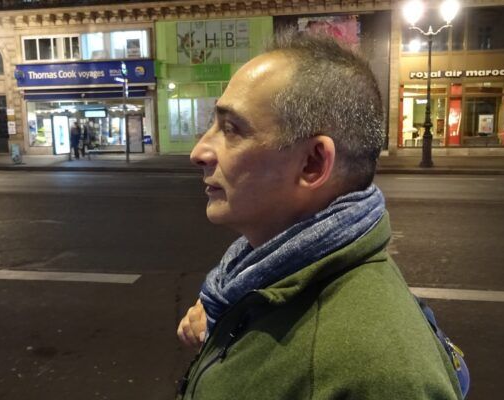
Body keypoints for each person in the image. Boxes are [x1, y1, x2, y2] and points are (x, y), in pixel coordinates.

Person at [177, 30, 464, 400]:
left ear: (313, 163)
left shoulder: (375, 371)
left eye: (231, 129)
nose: (199, 152)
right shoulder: (259, 282)